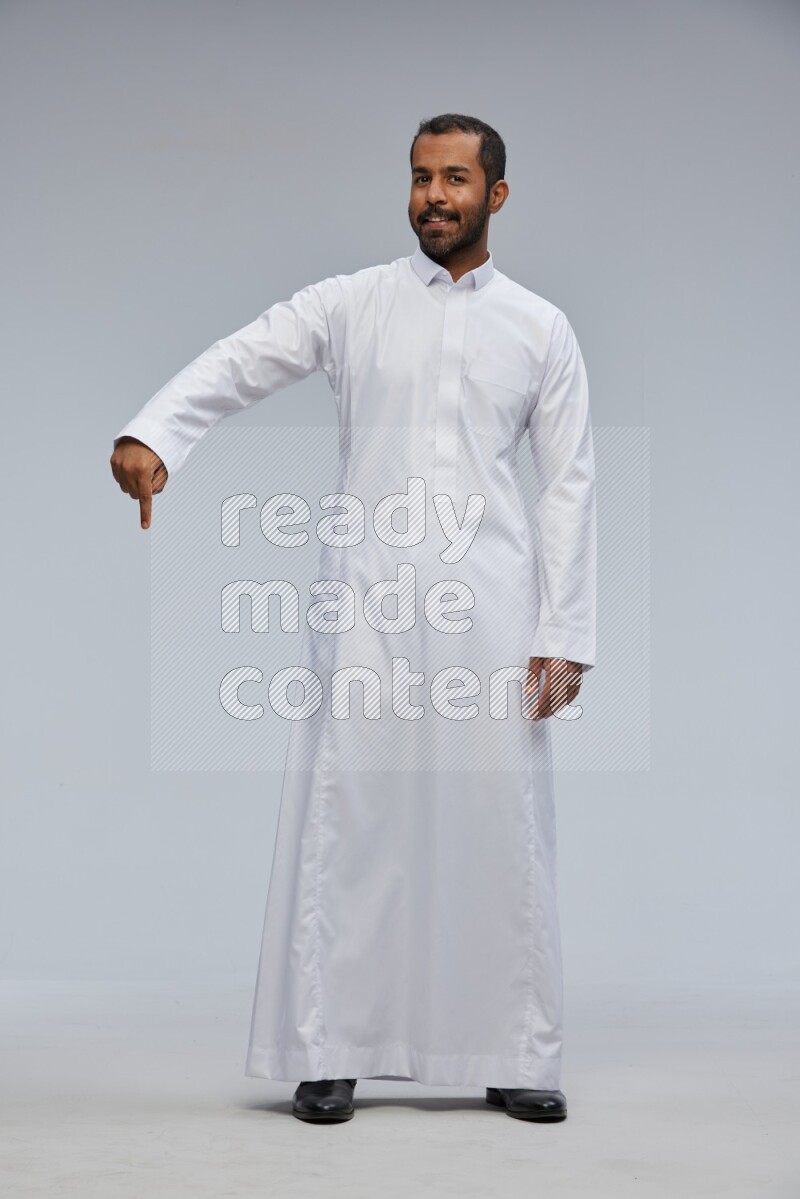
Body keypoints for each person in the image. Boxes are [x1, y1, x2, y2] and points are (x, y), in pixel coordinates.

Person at [110, 112, 597, 1125]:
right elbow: (242, 358)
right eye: (421, 177)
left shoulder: (539, 328)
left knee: (496, 824)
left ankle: (511, 1047)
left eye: (455, 179)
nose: (433, 195)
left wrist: (565, 631)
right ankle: (329, 1046)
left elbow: (567, 487)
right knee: (353, 815)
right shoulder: (352, 304)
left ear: (495, 195)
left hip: (492, 612)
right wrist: (154, 431)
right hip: (368, 601)